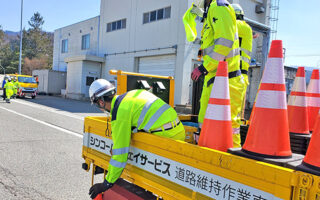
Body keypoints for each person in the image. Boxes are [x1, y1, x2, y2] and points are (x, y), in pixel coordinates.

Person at [88, 79, 185, 199]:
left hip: (167, 139)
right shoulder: (130, 95)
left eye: (97, 105)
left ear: (101, 102)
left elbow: (120, 155)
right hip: (179, 130)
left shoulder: (119, 114)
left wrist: (107, 183)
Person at [187, 0, 245, 147]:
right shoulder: (212, 12)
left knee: (229, 127)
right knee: (206, 123)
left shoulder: (219, 7)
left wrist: (204, 67)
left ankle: (233, 163)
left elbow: (225, 42)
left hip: (226, 81)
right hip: (214, 79)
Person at [231, 4, 253, 117]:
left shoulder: (234, 25)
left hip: (233, 75)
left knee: (228, 113)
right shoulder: (247, 29)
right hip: (242, 76)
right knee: (237, 115)